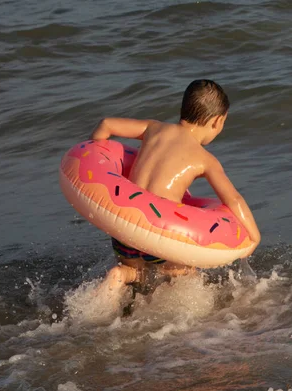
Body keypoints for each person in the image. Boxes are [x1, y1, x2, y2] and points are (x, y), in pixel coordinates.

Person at [91, 79, 261, 308]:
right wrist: (253, 237)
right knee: (185, 276)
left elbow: (107, 124)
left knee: (135, 275)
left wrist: (95, 150)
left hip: (125, 219)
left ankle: (121, 277)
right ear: (218, 121)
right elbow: (233, 200)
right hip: (161, 230)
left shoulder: (153, 128)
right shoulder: (205, 160)